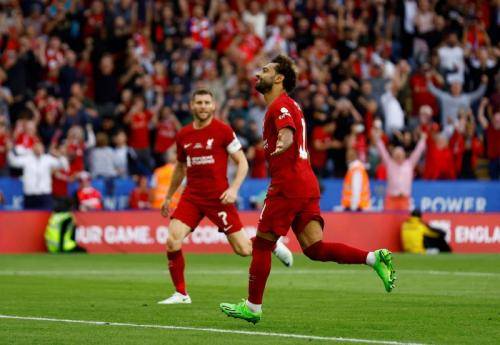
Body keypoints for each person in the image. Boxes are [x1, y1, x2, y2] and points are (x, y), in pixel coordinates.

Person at [220, 55, 396, 324]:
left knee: (263, 244)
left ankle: (253, 307)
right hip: (305, 182)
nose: (258, 74)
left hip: (288, 184)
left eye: (265, 70)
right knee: (314, 248)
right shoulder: (292, 105)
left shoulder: (279, 105)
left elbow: (287, 131)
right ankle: (374, 258)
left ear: (279, 79)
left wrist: (284, 141)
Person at [158, 88, 293, 305]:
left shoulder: (223, 131)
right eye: (199, 102)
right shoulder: (183, 134)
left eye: (206, 103)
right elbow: (180, 168)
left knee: (243, 250)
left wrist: (233, 190)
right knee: (172, 241)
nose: (203, 106)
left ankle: (271, 244)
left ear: (213, 106)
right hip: (191, 196)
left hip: (218, 197)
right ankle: (181, 294)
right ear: (192, 106)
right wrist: (168, 197)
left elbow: (243, 162)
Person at [374, 129, 427, 211]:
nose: (398, 157)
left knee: (403, 221)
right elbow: (382, 151)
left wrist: (423, 140)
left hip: (404, 199)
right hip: (391, 199)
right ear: (393, 156)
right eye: (396, 155)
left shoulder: (409, 164)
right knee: (386, 220)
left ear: (404, 156)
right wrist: (377, 138)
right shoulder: (389, 164)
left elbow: (418, 152)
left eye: (400, 155)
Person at [8, 142, 68, 210]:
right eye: (36, 147)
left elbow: (64, 166)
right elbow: (13, 162)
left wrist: (59, 155)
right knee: (29, 217)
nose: (38, 149)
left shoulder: (48, 159)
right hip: (30, 193)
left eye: (40, 147)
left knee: (45, 216)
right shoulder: (27, 159)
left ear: (43, 149)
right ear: (33, 148)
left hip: (45, 193)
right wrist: (11, 150)